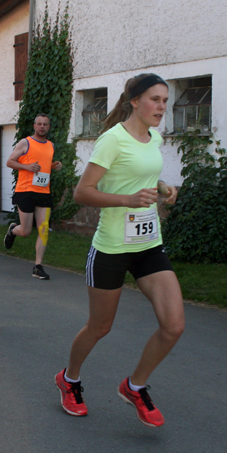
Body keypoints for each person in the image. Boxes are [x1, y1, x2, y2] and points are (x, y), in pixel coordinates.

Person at [53, 74, 181, 428]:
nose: (162, 107)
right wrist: (127, 200)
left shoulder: (154, 137)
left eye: (165, 100)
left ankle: (134, 386)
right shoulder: (112, 140)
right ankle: (69, 379)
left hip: (148, 244)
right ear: (134, 101)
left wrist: (162, 188)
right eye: (155, 99)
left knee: (173, 326)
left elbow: (137, 175)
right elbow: (83, 192)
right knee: (99, 327)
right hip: (111, 248)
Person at [4, 113, 63, 278]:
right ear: (34, 126)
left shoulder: (50, 145)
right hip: (26, 191)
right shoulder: (26, 142)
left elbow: (44, 165)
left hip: (44, 191)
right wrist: (27, 167)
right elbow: (10, 162)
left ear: (49, 127)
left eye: (45, 124)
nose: (42, 127)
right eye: (39, 124)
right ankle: (13, 230)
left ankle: (38, 266)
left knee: (44, 229)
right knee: (25, 231)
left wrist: (53, 165)